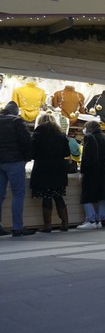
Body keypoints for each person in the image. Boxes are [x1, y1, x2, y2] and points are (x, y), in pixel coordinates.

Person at [0, 101, 35, 237]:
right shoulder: (17, 121)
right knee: (18, 193)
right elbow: (26, 141)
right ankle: (17, 227)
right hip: (15, 161)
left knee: (0, 195)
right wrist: (27, 158)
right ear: (15, 111)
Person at [31, 114, 71, 232]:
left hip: (42, 168)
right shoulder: (61, 135)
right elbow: (66, 153)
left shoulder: (37, 135)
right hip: (58, 169)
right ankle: (65, 223)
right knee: (58, 195)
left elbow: (32, 154)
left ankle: (47, 225)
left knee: (47, 196)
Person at [78, 120, 105, 229]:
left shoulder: (89, 137)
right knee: (101, 195)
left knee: (87, 195)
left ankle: (91, 219)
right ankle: (100, 220)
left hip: (92, 170)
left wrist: (82, 172)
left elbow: (86, 157)